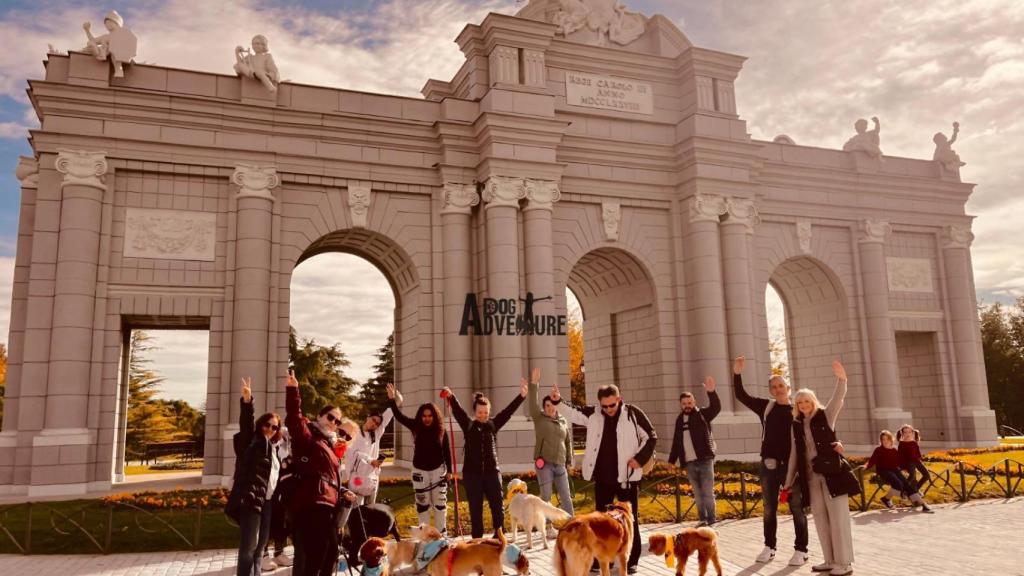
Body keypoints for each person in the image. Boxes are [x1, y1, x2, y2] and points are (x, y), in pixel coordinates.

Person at [549, 382, 656, 575]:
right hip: (603, 477)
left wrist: (639, 459)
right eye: (604, 406)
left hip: (627, 477)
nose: (608, 410)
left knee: (630, 521)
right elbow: (573, 413)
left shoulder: (633, 414)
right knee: (599, 523)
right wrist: (558, 401)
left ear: (619, 399)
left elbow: (651, 436)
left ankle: (631, 560)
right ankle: (599, 561)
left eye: (611, 405)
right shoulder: (594, 414)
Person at [784, 361, 860, 576]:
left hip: (832, 475)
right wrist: (788, 481)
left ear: (813, 401)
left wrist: (842, 380)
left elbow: (838, 400)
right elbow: (793, 454)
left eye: (807, 400)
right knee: (821, 520)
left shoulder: (826, 415)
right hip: (811, 479)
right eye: (800, 402)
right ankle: (829, 559)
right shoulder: (796, 425)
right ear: (796, 406)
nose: (804, 404)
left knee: (838, 520)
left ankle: (844, 563)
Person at [733, 356, 809, 566]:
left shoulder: (799, 410)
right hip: (768, 466)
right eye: (774, 387)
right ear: (770, 391)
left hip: (792, 469)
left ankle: (801, 550)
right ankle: (770, 547)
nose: (778, 389)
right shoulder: (766, 407)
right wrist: (737, 374)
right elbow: (741, 395)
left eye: (781, 385)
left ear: (788, 388)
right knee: (769, 508)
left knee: (796, 508)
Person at [285, 370, 356, 576]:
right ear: (319, 416)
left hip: (328, 502)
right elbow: (294, 420)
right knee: (318, 554)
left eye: (336, 420)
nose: (333, 422)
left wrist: (342, 491)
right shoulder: (308, 436)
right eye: (330, 417)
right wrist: (293, 391)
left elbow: (330, 476)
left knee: (330, 552)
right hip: (313, 501)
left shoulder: (328, 445)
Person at [443, 383, 528, 539]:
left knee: (497, 506)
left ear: (489, 412)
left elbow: (508, 412)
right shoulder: (468, 425)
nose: (483, 415)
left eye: (486, 412)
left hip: (492, 473)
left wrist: (521, 396)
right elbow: (459, 412)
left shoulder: (493, 424)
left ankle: (499, 539)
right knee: (476, 510)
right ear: (475, 412)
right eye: (480, 412)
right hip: (472, 475)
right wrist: (451, 396)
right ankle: (477, 541)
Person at [227, 377, 282, 576]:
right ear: (260, 425)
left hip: (266, 502)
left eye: (274, 427)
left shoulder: (273, 450)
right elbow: (246, 425)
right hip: (251, 500)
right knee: (249, 548)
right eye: (267, 424)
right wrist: (248, 402)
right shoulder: (252, 442)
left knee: (260, 548)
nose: (270, 429)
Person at [387, 383, 453, 534]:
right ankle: (424, 537)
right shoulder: (415, 426)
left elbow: (447, 451)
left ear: (435, 416)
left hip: (438, 472)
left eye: (430, 416)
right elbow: (399, 416)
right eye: (424, 416)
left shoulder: (442, 431)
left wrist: (449, 471)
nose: (427, 419)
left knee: (440, 505)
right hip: (420, 472)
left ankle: (441, 536)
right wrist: (392, 400)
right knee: (422, 506)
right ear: (420, 416)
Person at [525, 367, 574, 535]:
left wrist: (569, 460)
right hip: (544, 463)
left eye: (552, 405)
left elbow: (567, 442)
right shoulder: (539, 418)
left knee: (566, 496)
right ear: (544, 407)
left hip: (560, 464)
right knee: (546, 495)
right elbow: (532, 403)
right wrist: (534, 384)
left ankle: (572, 525)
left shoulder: (562, 421)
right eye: (546, 405)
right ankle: (547, 527)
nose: (549, 407)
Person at [667, 376, 720, 527]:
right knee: (697, 493)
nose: (687, 405)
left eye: (689, 403)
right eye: (684, 404)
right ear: (680, 405)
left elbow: (716, 407)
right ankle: (702, 519)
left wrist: (711, 392)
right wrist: (671, 460)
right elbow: (677, 442)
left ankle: (711, 520)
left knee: (708, 492)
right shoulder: (679, 420)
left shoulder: (703, 414)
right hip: (689, 462)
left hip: (705, 460)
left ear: (694, 402)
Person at [336, 404, 396, 530]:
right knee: (355, 509)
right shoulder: (355, 434)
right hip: (357, 479)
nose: (374, 424)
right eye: (373, 419)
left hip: (372, 479)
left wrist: (393, 401)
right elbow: (353, 453)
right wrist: (370, 460)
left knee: (371, 509)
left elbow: (387, 417)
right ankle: (352, 535)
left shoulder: (376, 435)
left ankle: (369, 535)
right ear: (368, 417)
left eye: (377, 423)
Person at [865, 430, 933, 513]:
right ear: (881, 440)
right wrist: (866, 466)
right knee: (898, 484)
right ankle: (900, 495)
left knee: (908, 486)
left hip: (894, 470)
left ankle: (923, 505)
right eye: (883, 439)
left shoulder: (894, 450)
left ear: (891, 440)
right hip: (884, 471)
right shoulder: (878, 450)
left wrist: (906, 469)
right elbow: (872, 460)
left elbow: (899, 462)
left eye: (887, 439)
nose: (885, 441)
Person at [897, 425, 930, 491]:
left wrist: (920, 462)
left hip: (917, 462)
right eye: (905, 432)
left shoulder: (914, 443)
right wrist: (903, 467)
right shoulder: (901, 444)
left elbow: (917, 454)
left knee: (927, 475)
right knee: (912, 475)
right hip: (909, 463)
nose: (907, 434)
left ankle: (916, 489)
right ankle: (904, 490)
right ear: (902, 433)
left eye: (909, 432)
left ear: (912, 433)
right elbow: (900, 457)